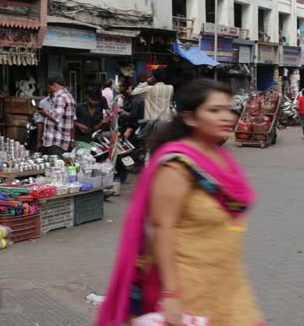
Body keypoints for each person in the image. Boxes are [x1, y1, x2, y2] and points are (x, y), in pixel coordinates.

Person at [98, 79, 263, 326]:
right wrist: (171, 294)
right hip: (188, 291)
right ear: (190, 118)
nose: (226, 117)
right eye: (214, 110)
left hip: (229, 283)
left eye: (228, 109)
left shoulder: (221, 158)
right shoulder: (177, 165)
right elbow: (161, 228)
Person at [37, 75, 76, 155]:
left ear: (54, 85)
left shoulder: (60, 97)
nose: (48, 90)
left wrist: (45, 113)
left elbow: (55, 117)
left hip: (56, 141)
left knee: (55, 166)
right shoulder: (69, 96)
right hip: (61, 140)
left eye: (49, 87)